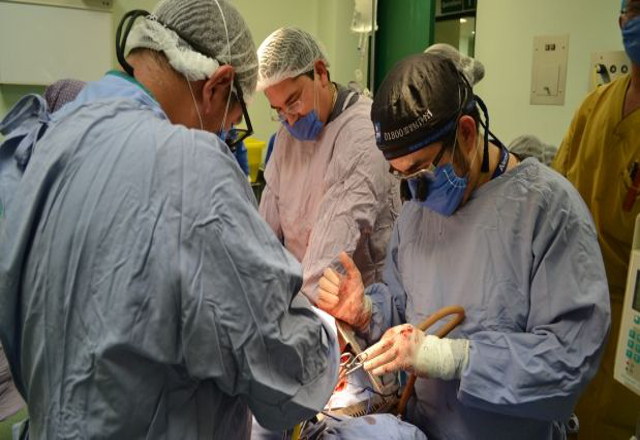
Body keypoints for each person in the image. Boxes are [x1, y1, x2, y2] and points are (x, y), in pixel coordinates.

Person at [0, 1, 339, 438]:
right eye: (228, 125)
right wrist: (325, 331)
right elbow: (290, 371)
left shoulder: (47, 139)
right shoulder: (191, 167)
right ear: (217, 86)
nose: (222, 138)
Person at [316, 52, 611, 439]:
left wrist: (453, 358)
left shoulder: (548, 211)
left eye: (421, 170)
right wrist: (366, 312)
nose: (415, 192)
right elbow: (407, 314)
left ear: (467, 134)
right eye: (401, 176)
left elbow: (569, 360)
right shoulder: (415, 214)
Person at [256, 27, 400, 305]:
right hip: (302, 296)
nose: (290, 119)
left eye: (293, 102)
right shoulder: (287, 136)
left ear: (320, 73)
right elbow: (264, 230)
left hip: (357, 304)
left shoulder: (362, 133)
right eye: (279, 111)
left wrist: (292, 314)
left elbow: (330, 255)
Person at [551, 1, 640, 437]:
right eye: (635, 8)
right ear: (622, 18)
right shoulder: (594, 107)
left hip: (630, 321)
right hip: (572, 304)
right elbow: (553, 201)